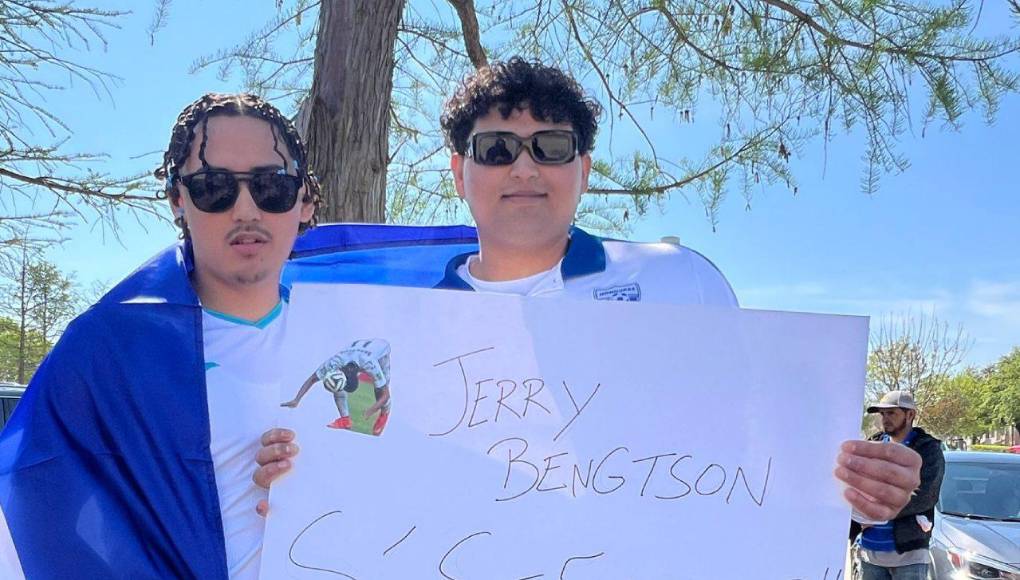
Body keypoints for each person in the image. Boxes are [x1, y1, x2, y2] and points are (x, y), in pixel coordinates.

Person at [255, 58, 923, 526]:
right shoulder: (387, 333)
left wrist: (865, 491)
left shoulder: (679, 281)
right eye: (496, 149)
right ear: (459, 172)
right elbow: (363, 480)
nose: (523, 167)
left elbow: (760, 458)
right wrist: (303, 488)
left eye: (550, 146)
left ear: (584, 169)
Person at [0, 93, 319, 579]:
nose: (245, 210)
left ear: (304, 200)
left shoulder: (356, 336)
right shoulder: (108, 352)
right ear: (178, 200)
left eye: (271, 185)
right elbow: (31, 503)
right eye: (214, 187)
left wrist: (324, 482)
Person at [851, 390, 945, 580]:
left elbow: (926, 495)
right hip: (870, 554)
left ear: (910, 415)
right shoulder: (873, 445)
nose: (885, 419)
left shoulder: (927, 449)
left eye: (891, 413)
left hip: (909, 557)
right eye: (882, 414)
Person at [282, 338, 392, 435]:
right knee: (336, 383)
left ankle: (384, 414)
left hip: (381, 348)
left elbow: (386, 394)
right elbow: (312, 379)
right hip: (356, 351)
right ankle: (345, 420)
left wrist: (372, 409)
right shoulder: (334, 363)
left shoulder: (370, 364)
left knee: (380, 390)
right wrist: (296, 400)